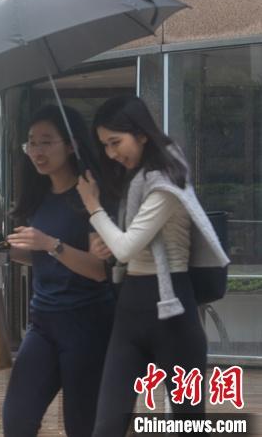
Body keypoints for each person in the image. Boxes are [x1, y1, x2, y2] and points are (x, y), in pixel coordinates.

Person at [76, 96, 229, 436]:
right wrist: (105, 241)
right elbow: (123, 246)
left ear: (141, 134)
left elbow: (128, 247)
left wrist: (93, 207)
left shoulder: (166, 183)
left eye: (116, 142)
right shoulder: (135, 182)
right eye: (105, 146)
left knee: (188, 424)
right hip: (131, 310)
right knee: (107, 426)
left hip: (173, 311)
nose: (112, 153)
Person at [0, 104, 114, 437]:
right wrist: (5, 255)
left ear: (70, 145)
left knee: (82, 425)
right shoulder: (37, 197)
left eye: (46, 142)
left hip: (87, 324)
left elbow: (98, 270)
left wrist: (51, 244)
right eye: (31, 143)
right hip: (42, 323)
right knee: (17, 419)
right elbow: (41, 255)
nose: (37, 151)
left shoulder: (90, 196)